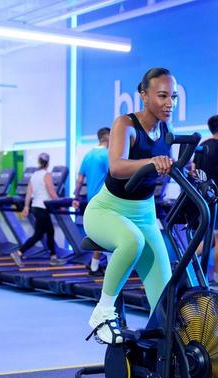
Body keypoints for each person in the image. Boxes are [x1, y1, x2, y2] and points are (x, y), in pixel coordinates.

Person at [83, 67, 177, 344]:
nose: (169, 103)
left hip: (145, 214)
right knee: (131, 241)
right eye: (162, 96)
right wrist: (151, 163)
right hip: (107, 210)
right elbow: (118, 166)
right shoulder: (125, 124)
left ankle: (163, 351)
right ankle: (103, 311)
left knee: (165, 296)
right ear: (144, 95)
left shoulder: (165, 129)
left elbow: (166, 166)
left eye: (172, 97)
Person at [194, 114, 218, 290]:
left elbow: (194, 173)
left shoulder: (202, 146)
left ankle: (185, 265)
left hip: (203, 199)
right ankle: (217, 281)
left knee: (209, 238)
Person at [10, 153, 66, 267]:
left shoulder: (34, 175)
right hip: (43, 207)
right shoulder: (47, 174)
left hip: (35, 207)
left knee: (50, 232)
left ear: (39, 162)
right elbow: (51, 191)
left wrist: (26, 207)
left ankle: (53, 258)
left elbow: (29, 192)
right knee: (38, 235)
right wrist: (61, 204)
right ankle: (18, 253)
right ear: (48, 163)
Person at [73, 127, 111, 276]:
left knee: (100, 234)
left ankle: (95, 265)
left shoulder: (88, 155)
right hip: (105, 200)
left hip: (91, 201)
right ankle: (107, 268)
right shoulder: (106, 155)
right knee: (107, 234)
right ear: (107, 137)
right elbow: (115, 175)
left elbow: (80, 180)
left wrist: (75, 197)